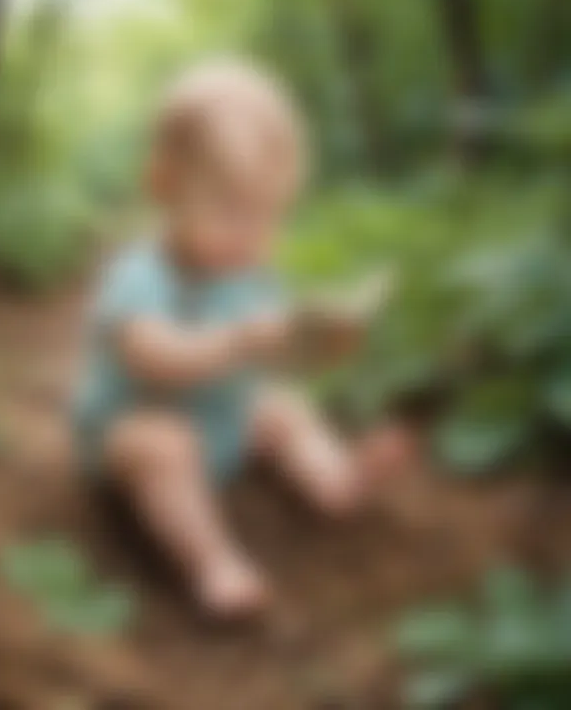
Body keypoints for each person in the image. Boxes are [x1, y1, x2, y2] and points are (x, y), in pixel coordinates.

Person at [75, 60, 408, 619]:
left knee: (282, 406)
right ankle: (212, 562)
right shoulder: (141, 274)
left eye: (269, 215)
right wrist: (239, 341)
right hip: (133, 433)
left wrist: (316, 347)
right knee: (164, 443)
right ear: (164, 186)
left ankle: (335, 480)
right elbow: (150, 357)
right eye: (231, 210)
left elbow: (276, 362)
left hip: (222, 422)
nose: (252, 235)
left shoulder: (253, 278)